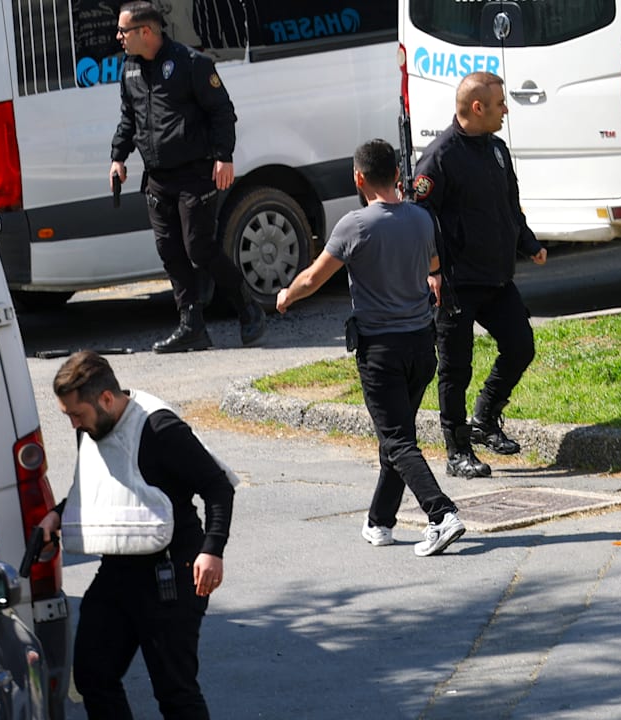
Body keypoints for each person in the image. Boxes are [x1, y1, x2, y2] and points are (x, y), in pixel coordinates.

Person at [276, 139, 466, 557]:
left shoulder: (355, 225)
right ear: (398, 174)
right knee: (396, 438)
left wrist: (287, 295)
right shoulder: (421, 218)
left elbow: (313, 278)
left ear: (358, 178)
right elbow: (433, 267)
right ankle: (380, 521)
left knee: (397, 440)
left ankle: (441, 514)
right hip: (422, 346)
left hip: (381, 350)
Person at [36, 350, 234, 719]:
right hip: (117, 570)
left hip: (171, 573)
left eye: (77, 414)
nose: (74, 424)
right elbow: (103, 487)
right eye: (68, 416)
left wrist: (213, 549)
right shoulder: (91, 429)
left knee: (175, 691)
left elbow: (217, 486)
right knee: (93, 675)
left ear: (106, 398)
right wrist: (56, 515)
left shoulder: (160, 429)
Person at [411, 71, 548, 479]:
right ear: (477, 107)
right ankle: (457, 451)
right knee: (455, 369)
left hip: (496, 277)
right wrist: (433, 270)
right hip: (456, 283)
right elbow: (419, 219)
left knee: (520, 346)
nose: (506, 110)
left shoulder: (497, 150)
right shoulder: (439, 158)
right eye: (500, 103)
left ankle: (485, 419)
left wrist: (529, 244)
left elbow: (510, 207)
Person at [109, 1, 266, 354]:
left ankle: (248, 306)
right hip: (157, 178)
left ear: (145, 31)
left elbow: (222, 111)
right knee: (170, 251)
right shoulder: (130, 68)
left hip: (195, 173)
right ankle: (191, 327)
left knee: (200, 248)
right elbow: (128, 117)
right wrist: (118, 157)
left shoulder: (191, 63)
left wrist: (223, 156)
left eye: (123, 31)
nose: (118, 37)